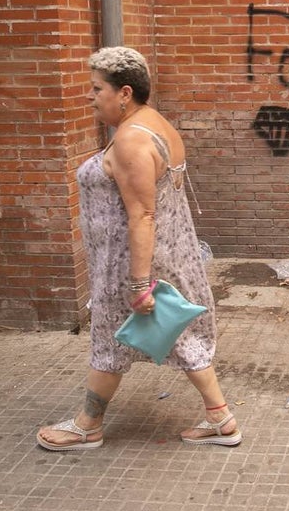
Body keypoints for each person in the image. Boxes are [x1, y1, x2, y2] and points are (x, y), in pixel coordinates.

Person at [37, 46, 240, 450]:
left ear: (124, 93)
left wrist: (138, 283)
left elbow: (143, 213)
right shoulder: (154, 123)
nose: (90, 97)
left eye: (97, 89)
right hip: (163, 252)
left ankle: (88, 424)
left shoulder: (131, 140)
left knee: (111, 340)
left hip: (131, 262)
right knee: (179, 335)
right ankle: (221, 419)